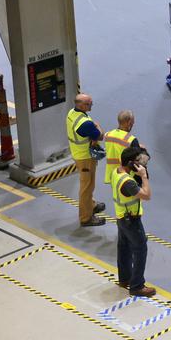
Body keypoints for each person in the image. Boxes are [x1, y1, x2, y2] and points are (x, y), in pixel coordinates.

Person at [112, 144, 155, 297]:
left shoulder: (116, 172)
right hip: (131, 220)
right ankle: (137, 286)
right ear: (131, 163)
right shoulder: (128, 182)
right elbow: (146, 195)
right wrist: (143, 176)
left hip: (121, 216)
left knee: (124, 248)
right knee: (140, 248)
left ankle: (124, 279)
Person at [66, 93, 107, 226]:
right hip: (85, 157)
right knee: (87, 187)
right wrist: (98, 125)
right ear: (82, 105)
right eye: (89, 104)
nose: (92, 105)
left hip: (78, 153)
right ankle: (86, 218)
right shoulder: (85, 124)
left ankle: (92, 205)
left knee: (88, 184)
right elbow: (100, 136)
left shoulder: (72, 113)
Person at [103, 110, 139, 191]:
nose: (133, 124)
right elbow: (138, 161)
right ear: (129, 122)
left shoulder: (108, 135)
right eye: (132, 122)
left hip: (113, 175)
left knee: (117, 197)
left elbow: (116, 146)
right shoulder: (131, 140)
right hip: (127, 176)